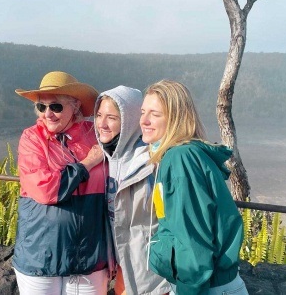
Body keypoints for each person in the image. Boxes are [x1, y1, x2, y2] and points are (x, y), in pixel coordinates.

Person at [140, 80, 249, 295]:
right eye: (143, 112)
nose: (144, 120)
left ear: (175, 118)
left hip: (208, 288)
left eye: (155, 114)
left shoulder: (180, 159)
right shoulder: (184, 154)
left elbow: (192, 240)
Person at [12, 71, 111, 295]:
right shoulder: (31, 138)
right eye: (41, 107)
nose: (48, 114)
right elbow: (46, 189)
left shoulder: (95, 135)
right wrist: (87, 164)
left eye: (56, 106)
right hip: (40, 256)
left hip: (89, 256)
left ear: (75, 107)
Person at [94, 86, 170, 295]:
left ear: (129, 122)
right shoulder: (104, 159)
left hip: (150, 274)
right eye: (99, 115)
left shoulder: (152, 162)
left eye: (112, 117)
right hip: (123, 268)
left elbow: (167, 219)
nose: (102, 124)